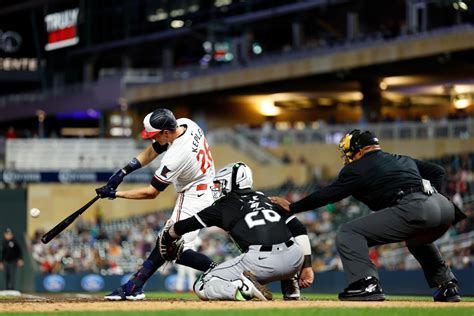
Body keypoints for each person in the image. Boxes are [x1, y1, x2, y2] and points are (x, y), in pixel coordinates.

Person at [270, 129, 465, 302]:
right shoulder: (400, 158)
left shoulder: (357, 168)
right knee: (417, 240)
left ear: (360, 151)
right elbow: (437, 171)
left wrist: (293, 207)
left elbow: (327, 195)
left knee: (348, 233)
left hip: (415, 207)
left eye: (349, 152)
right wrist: (433, 194)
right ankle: (447, 285)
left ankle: (367, 283)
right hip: (444, 207)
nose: (348, 157)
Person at [96, 108, 217, 300]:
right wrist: (123, 172)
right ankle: (134, 286)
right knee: (169, 244)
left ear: (166, 132)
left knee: (170, 246)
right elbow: (153, 150)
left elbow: (151, 192)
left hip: (195, 195)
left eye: (155, 135)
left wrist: (116, 194)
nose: (152, 139)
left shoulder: (176, 155)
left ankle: (222, 273)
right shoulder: (187, 124)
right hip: (205, 188)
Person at [162, 162, 314, 301]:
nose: (218, 187)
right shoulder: (267, 199)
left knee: (202, 284)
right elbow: (299, 229)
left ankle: (243, 289)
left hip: (261, 263)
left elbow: (187, 225)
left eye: (221, 183)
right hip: (295, 260)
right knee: (280, 238)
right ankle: (291, 289)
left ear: (230, 182)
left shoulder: (223, 207)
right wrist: (306, 266)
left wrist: (168, 234)